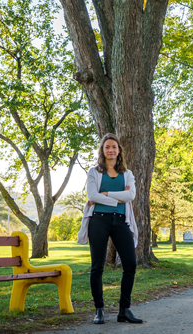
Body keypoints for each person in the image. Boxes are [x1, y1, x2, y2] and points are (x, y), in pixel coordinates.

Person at [77, 134, 142, 324]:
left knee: (130, 264)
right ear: (102, 150)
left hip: (121, 221)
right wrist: (116, 199)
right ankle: (99, 310)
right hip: (99, 221)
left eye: (114, 147)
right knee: (97, 266)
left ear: (119, 150)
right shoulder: (94, 172)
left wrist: (105, 194)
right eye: (107, 147)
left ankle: (124, 310)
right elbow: (92, 196)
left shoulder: (127, 174)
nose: (111, 150)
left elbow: (130, 195)